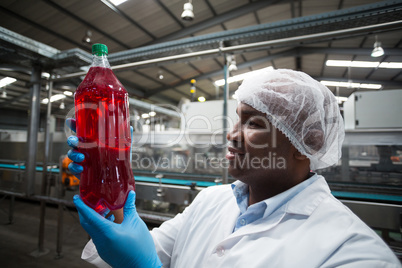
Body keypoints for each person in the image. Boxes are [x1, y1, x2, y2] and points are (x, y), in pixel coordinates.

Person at [68, 68, 401, 267]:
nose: (231, 135)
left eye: (253, 123)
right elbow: (135, 250)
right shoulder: (210, 201)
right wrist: (110, 203)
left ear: (308, 144)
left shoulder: (353, 253)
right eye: (236, 120)